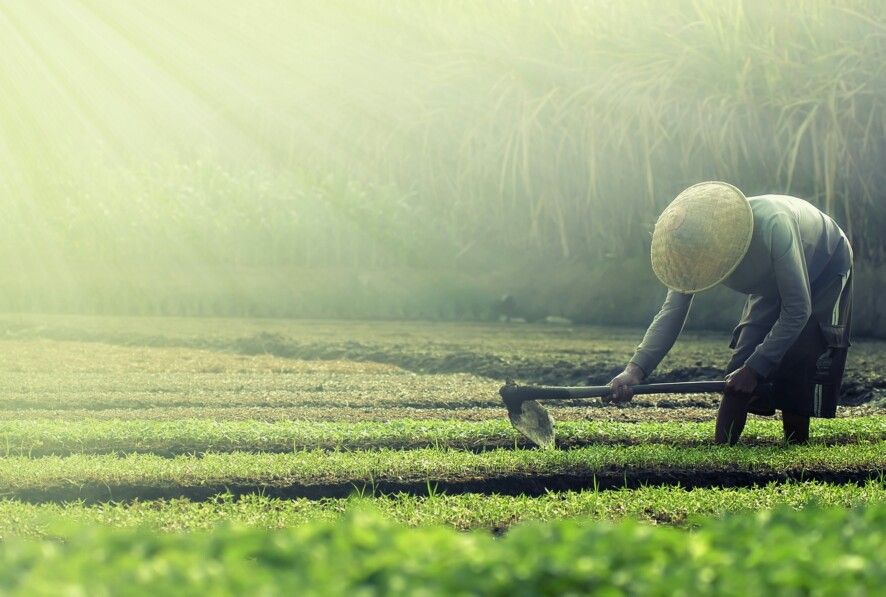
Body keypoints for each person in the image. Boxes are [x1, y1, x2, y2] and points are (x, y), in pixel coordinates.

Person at [608, 182, 853, 445]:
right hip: (771, 279)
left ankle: (796, 448)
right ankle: (722, 450)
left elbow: (798, 309)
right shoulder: (689, 252)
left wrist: (756, 369)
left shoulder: (773, 225)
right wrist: (635, 370)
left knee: (799, 361)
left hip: (824, 266)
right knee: (738, 368)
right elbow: (671, 312)